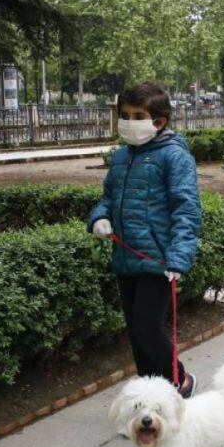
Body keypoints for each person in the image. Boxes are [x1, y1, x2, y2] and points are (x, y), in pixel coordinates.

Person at [89, 82, 202, 396]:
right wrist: (99, 217)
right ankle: (148, 398)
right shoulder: (121, 158)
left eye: (137, 115)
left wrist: (179, 257)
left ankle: (179, 382)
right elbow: (108, 198)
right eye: (124, 115)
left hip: (159, 260)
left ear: (160, 121)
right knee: (136, 335)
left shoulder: (174, 157)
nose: (128, 121)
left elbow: (186, 209)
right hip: (126, 258)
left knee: (148, 329)